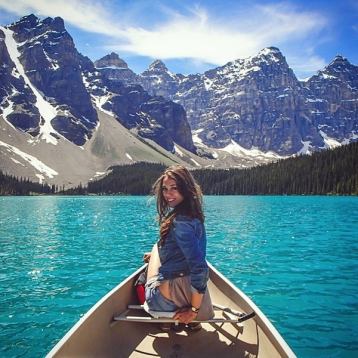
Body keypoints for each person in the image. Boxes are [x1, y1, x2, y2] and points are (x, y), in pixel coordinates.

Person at [143, 165, 213, 331]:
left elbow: (200, 268)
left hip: (166, 302)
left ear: (186, 188)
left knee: (155, 248)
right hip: (191, 296)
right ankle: (192, 316)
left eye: (174, 188)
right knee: (163, 252)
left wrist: (194, 311)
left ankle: (166, 318)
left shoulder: (180, 222)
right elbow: (199, 263)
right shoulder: (194, 216)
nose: (168, 194)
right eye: (165, 189)